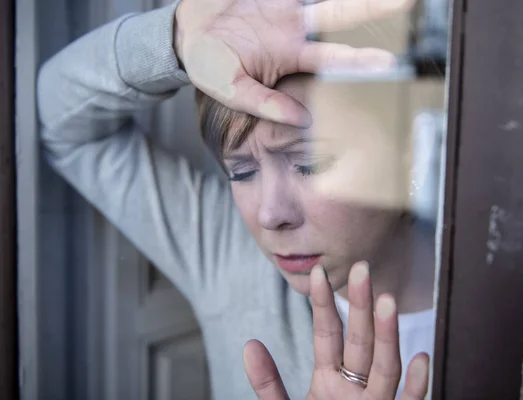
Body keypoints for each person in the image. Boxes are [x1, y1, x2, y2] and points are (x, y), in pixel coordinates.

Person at [37, 0, 432, 399]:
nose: (269, 214)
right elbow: (66, 124)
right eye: (241, 172)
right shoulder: (228, 254)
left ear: (411, 154)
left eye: (310, 165)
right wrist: (174, 39)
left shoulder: (489, 301)